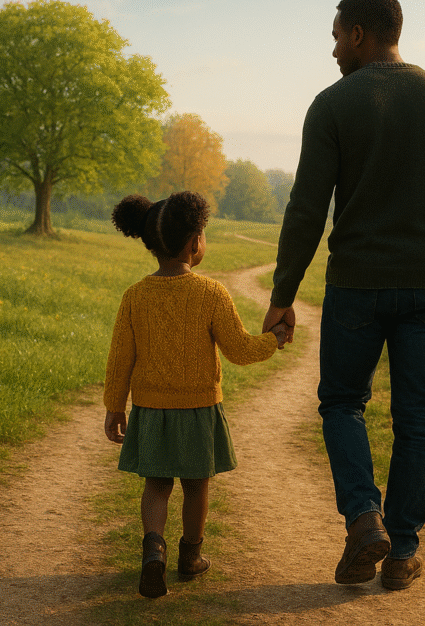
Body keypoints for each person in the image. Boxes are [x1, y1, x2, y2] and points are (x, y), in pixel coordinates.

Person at [262, 0, 425, 591]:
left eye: (338, 34)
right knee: (416, 417)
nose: (334, 48)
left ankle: (365, 520)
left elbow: (307, 208)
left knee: (342, 404)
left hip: (356, 288)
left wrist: (283, 292)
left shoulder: (333, 105)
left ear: (362, 35)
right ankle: (404, 552)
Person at [103, 190, 288, 599]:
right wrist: (273, 340)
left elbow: (120, 359)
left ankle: (154, 549)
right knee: (196, 486)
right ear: (194, 243)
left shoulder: (134, 296)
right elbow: (239, 350)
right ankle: (190, 556)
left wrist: (115, 407)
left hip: (151, 408)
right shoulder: (210, 293)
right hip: (199, 407)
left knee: (156, 485)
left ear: (152, 243)